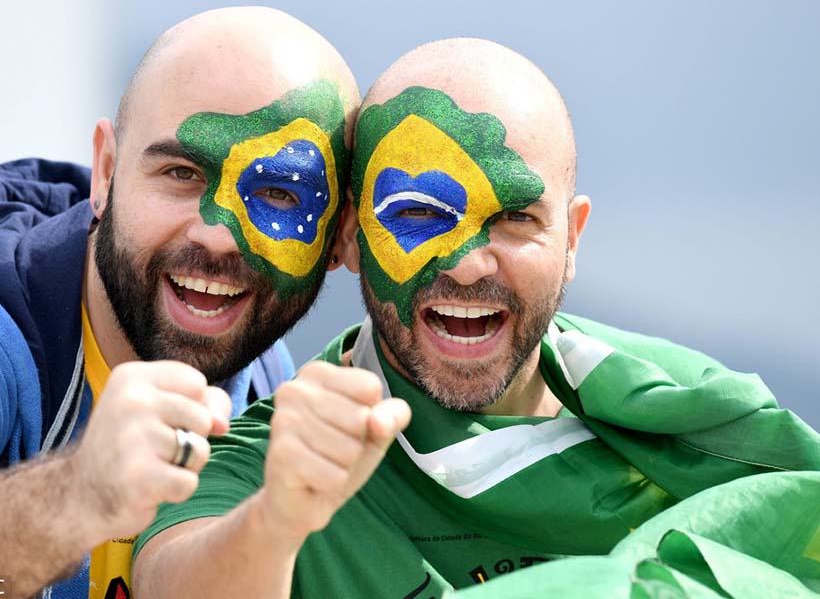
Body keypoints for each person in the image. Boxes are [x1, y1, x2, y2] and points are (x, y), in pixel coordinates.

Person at [131, 38, 820, 598]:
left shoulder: (692, 418)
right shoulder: (281, 458)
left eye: (515, 218)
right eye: (417, 213)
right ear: (347, 235)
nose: (467, 264)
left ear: (571, 239)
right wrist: (280, 520)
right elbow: (173, 577)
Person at [0, 7, 359, 599]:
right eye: (182, 172)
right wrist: (77, 494)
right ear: (106, 170)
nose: (218, 235)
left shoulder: (267, 375)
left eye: (279, 193)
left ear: (337, 239)